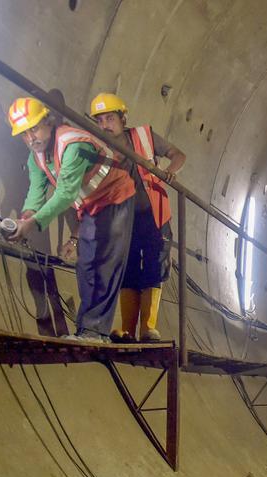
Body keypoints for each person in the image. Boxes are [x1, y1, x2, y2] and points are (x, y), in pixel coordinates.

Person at [7, 97, 136, 342]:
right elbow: (36, 191)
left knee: (105, 263)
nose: (30, 138)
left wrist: (32, 225)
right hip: (91, 206)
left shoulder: (72, 143)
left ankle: (96, 331)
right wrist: (26, 217)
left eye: (34, 129)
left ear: (48, 121)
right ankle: (87, 330)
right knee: (86, 264)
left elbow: (65, 193)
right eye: (24, 133)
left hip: (116, 197)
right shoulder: (36, 156)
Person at [89, 92, 186, 343]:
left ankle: (148, 328)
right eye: (100, 121)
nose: (104, 126)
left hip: (154, 213)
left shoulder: (143, 137)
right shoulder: (99, 148)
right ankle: (127, 330)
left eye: (110, 118)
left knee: (154, 264)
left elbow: (178, 154)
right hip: (123, 216)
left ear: (123, 118)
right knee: (128, 267)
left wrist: (168, 172)